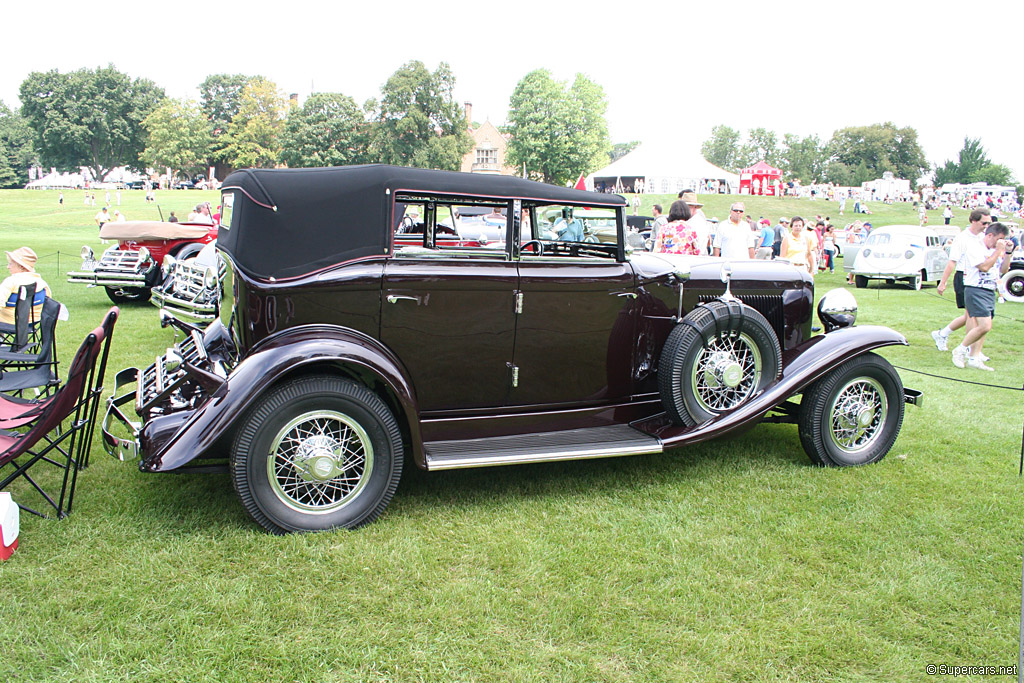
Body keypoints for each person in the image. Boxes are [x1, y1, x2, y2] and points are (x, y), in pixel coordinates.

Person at [950, 222, 1012, 371]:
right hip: (976, 289)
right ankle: (960, 350)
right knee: (984, 325)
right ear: (990, 235)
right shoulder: (975, 247)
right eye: (1000, 239)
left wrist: (1008, 253)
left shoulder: (995, 250)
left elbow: (1003, 269)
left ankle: (974, 357)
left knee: (983, 328)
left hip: (989, 289)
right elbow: (983, 266)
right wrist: (998, 251)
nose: (1001, 242)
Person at [932, 208, 991, 353]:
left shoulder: (982, 238)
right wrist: (943, 282)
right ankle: (970, 350)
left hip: (977, 278)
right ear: (974, 221)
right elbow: (952, 261)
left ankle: (942, 334)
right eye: (984, 223)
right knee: (972, 315)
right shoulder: (962, 238)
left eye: (988, 223)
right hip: (963, 276)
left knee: (970, 315)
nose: (986, 226)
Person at [1, 247, 51, 326]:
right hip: (33, 322)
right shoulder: (41, 283)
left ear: (21, 267)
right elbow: (48, 302)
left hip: (10, 322)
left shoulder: (10, 281)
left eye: (10, 263)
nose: (8, 267)